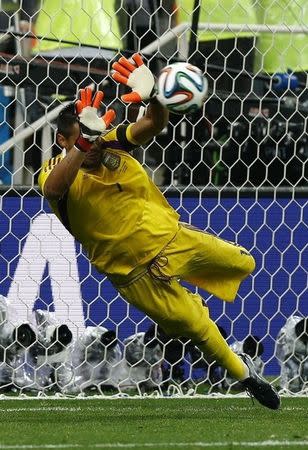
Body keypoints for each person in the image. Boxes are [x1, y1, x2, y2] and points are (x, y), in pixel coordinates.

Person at [38, 53, 280, 409]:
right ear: (62, 141)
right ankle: (247, 377)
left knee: (245, 264)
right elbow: (53, 190)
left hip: (172, 240)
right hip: (134, 276)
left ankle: (223, 340)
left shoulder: (112, 143)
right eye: (82, 138)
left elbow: (152, 124)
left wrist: (154, 97)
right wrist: (84, 145)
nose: (93, 143)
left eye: (96, 132)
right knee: (195, 326)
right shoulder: (55, 170)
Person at [276, 316, 308, 393]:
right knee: (294, 380)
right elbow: (284, 356)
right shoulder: (288, 334)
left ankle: (304, 384)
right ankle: (285, 386)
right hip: (289, 349)